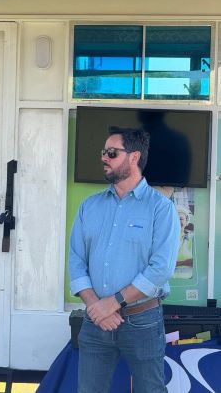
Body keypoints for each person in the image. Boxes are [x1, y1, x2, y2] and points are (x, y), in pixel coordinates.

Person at [69, 127, 179, 393]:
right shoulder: (89, 206)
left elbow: (161, 268)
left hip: (143, 321)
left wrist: (114, 302)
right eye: (103, 153)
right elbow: (75, 261)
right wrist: (97, 306)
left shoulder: (160, 208)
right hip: (95, 322)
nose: (104, 158)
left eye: (111, 152)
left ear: (134, 157)